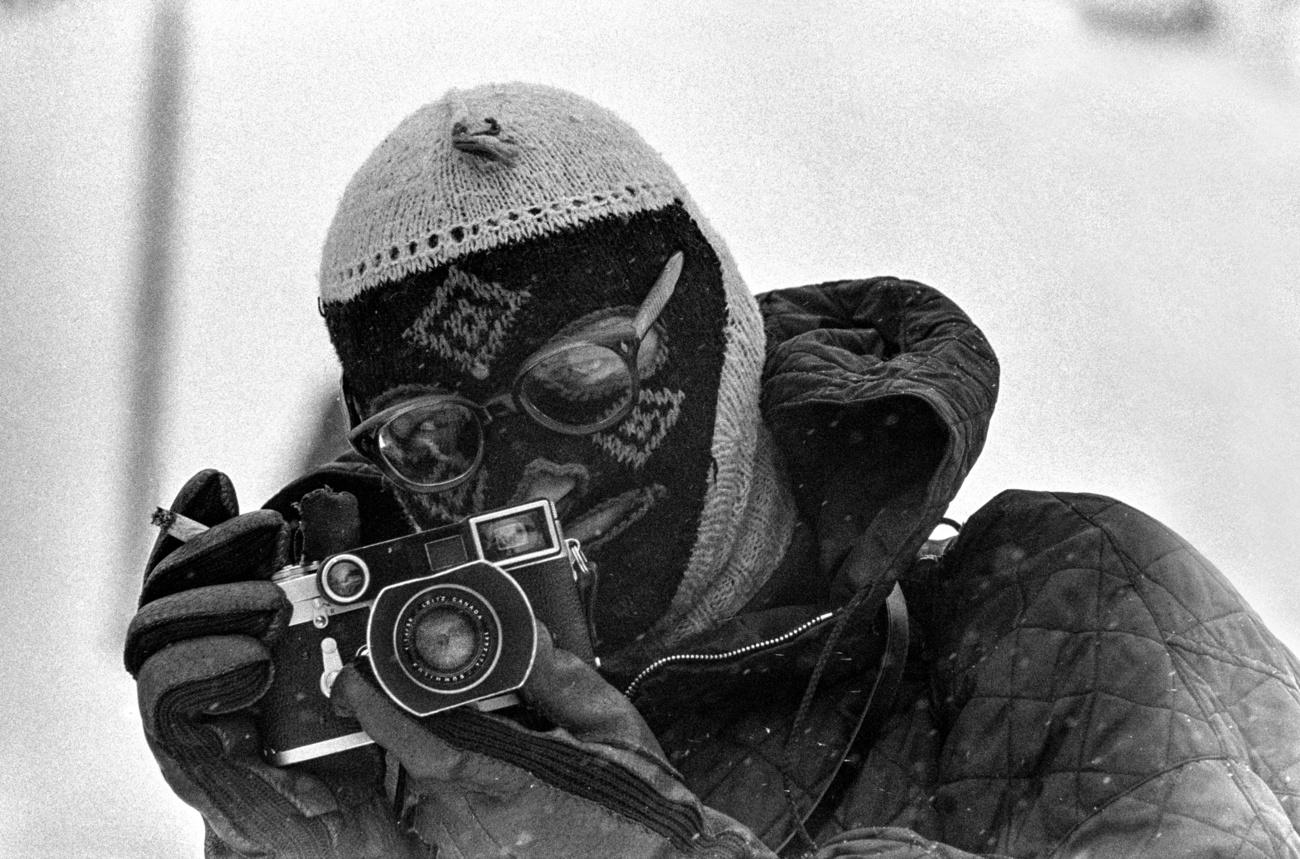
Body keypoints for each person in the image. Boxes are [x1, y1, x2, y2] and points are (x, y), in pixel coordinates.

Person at [124, 83, 1300, 858]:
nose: (525, 477)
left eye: (583, 381)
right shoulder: (419, 742)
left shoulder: (1058, 607)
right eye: (433, 438)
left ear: (722, 344)